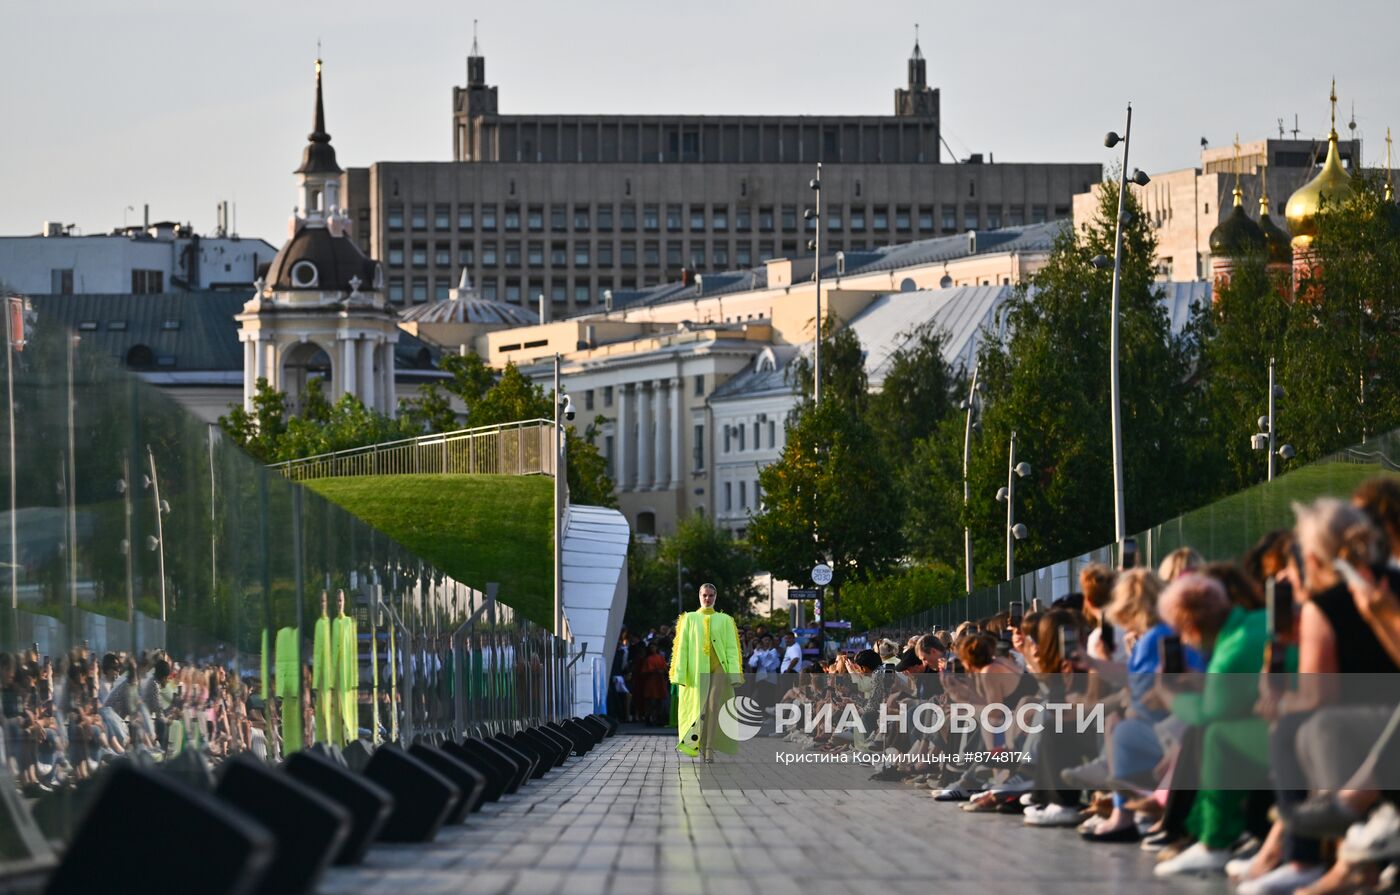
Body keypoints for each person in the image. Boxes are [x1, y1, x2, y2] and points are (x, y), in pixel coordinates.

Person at [669, 583, 744, 762]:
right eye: (704, 595)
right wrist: (679, 674)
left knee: (713, 704)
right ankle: (699, 744)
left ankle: (709, 748)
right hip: (697, 669)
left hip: (719, 665)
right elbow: (682, 648)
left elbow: (732, 648)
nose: (707, 599)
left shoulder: (726, 620)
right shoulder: (688, 618)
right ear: (699, 596)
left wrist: (734, 673)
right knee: (698, 707)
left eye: (711, 595)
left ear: (716, 597)